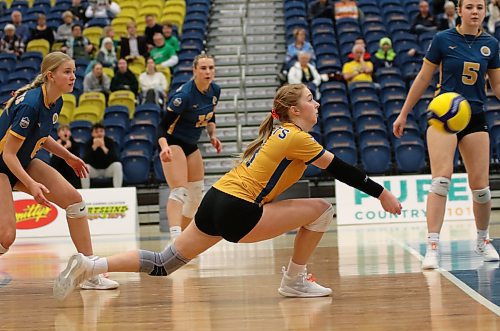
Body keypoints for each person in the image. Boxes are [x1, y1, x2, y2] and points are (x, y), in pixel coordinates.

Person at [53, 83, 402, 301]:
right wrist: (381, 192)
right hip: (239, 210)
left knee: (164, 263)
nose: (317, 104)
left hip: (216, 200)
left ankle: (92, 264)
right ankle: (295, 280)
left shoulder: (277, 133)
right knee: (323, 209)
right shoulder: (297, 137)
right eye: (311, 99)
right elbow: (340, 168)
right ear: (295, 111)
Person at [393, 0, 500, 269]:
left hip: (475, 116)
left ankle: (483, 240)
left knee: (482, 189)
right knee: (441, 180)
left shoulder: (492, 44)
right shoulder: (443, 39)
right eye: (470, 7)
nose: (475, 11)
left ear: (485, 10)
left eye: (479, 7)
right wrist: (404, 113)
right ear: (459, 11)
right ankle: (433, 245)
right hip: (445, 115)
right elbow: (422, 78)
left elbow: (497, 87)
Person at [0, 51, 118, 290]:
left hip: (22, 162)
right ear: (50, 76)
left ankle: (90, 272)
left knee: (75, 202)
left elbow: (42, 136)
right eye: (67, 72)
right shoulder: (31, 105)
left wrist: (69, 156)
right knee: (6, 236)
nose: (73, 76)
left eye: (74, 71)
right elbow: (8, 155)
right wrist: (31, 185)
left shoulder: (56, 101)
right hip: (3, 165)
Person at [158, 53, 221, 240]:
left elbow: (210, 114)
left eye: (211, 68)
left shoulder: (215, 90)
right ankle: (175, 238)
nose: (207, 71)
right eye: (203, 68)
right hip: (172, 142)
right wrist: (164, 147)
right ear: (194, 70)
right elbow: (161, 126)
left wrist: (212, 135)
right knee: (179, 191)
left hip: (191, 144)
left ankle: (184, 239)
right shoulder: (183, 95)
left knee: (195, 197)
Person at [81, 123, 122, 189]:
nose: (99, 134)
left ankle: (117, 190)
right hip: (94, 170)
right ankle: (86, 191)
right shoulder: (89, 143)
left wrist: (103, 147)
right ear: (92, 134)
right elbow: (85, 160)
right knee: (85, 168)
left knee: (117, 165)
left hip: (107, 170)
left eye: (101, 131)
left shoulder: (109, 141)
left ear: (104, 132)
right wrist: (94, 148)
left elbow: (115, 158)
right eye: (96, 132)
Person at [50, 124, 81, 188]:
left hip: (72, 174)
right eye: (63, 130)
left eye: (67, 130)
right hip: (59, 174)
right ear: (58, 134)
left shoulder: (75, 145)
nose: (65, 132)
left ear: (70, 133)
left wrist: (67, 149)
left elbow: (76, 160)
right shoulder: (54, 145)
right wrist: (62, 148)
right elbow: (53, 164)